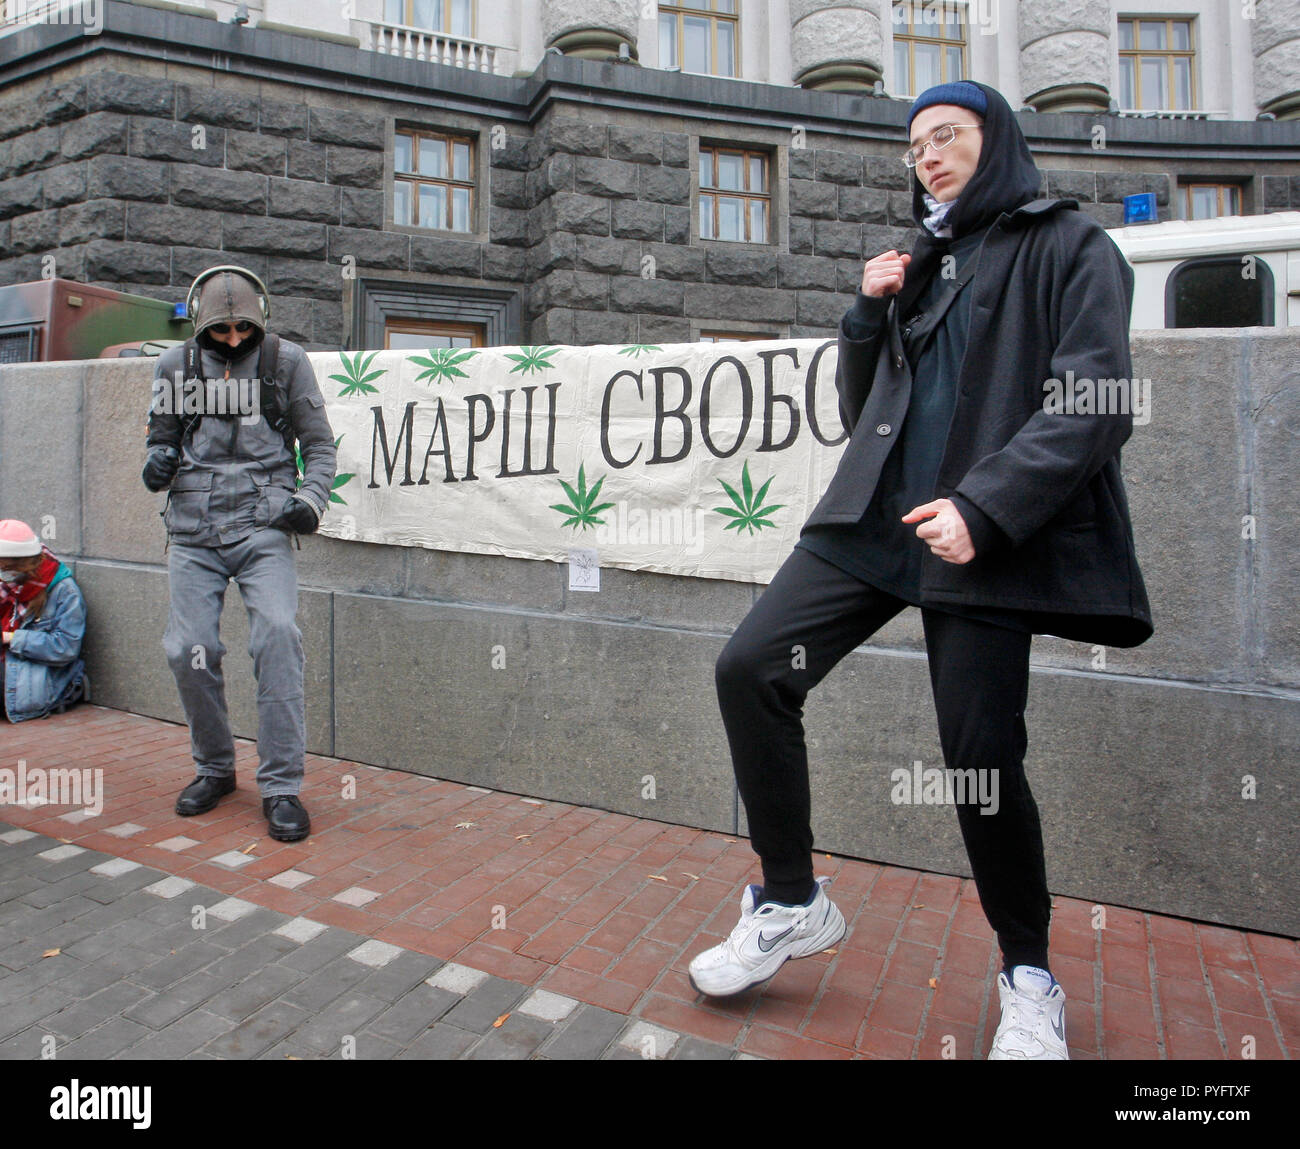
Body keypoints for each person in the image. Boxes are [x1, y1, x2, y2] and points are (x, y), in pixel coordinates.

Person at [687, 82, 1152, 1061]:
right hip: (876, 526)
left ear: (999, 142)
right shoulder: (925, 261)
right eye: (916, 147)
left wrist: (987, 506)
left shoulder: (1072, 248)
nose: (928, 157)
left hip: (980, 539)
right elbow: (867, 411)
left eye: (948, 137)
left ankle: (1027, 975)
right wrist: (865, 315)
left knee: (979, 763)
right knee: (752, 668)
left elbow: (1099, 399)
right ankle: (789, 899)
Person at [143, 265, 336, 842]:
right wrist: (154, 465)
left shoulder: (286, 362)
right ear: (201, 325)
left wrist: (311, 499)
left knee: (278, 635)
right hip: (194, 529)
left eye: (241, 330)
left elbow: (320, 445)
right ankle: (216, 768)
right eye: (220, 332)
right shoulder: (175, 366)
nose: (232, 340)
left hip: (263, 523)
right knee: (188, 648)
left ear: (260, 320)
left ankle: (281, 786)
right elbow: (160, 440)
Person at [1, 520, 88, 723]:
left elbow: (65, 648)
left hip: (38, 674)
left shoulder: (64, 591)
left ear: (22, 565)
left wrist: (10, 638)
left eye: (4, 567)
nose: (2, 573)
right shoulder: (8, 584)